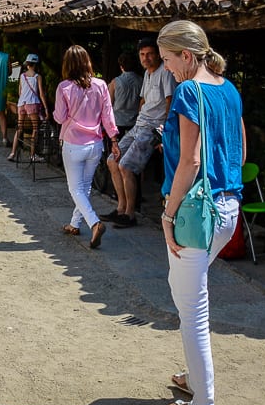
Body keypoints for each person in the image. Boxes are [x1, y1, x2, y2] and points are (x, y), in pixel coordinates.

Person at [157, 19, 246, 405]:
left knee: (192, 309)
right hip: (227, 207)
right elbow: (240, 152)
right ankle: (194, 379)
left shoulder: (189, 90)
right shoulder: (229, 90)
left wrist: (168, 215)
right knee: (186, 294)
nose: (167, 69)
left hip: (197, 213)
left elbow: (190, 162)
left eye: (168, 60)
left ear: (187, 56)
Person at [102, 39, 177, 228]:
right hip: (139, 124)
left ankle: (130, 214)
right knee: (112, 160)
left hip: (152, 128)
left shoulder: (165, 74)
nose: (146, 58)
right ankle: (121, 208)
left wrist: (164, 131)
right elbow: (143, 99)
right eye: (142, 54)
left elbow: (170, 102)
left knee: (126, 166)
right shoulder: (147, 74)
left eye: (150, 54)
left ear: (158, 54)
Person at [53, 45, 120, 249]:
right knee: (85, 186)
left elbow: (60, 117)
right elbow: (108, 115)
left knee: (75, 188)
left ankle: (94, 223)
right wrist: (114, 140)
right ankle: (75, 223)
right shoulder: (100, 85)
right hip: (96, 144)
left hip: (73, 144)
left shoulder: (64, 87)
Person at [7, 53, 48, 162]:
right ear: (36, 64)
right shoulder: (37, 77)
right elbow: (41, 94)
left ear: (27, 64)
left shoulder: (22, 76)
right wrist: (46, 108)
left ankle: (12, 153)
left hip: (22, 104)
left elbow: (20, 92)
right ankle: (32, 155)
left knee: (19, 128)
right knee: (35, 129)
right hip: (32, 103)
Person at [108, 51, 144, 137]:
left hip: (118, 121)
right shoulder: (142, 81)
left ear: (121, 66)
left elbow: (109, 103)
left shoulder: (115, 82)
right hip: (135, 121)